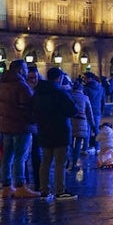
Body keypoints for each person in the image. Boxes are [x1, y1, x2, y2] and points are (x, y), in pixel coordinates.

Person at [0, 60, 38, 198]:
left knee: (7, 157)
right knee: (20, 157)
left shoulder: (2, 85)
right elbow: (30, 107)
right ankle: (20, 186)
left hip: (5, 126)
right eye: (25, 69)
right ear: (20, 70)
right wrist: (33, 121)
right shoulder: (21, 86)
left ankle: (7, 187)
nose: (26, 72)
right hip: (21, 126)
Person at [33, 67, 78, 200]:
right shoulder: (60, 93)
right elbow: (72, 110)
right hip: (60, 131)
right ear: (59, 78)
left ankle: (44, 190)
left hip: (43, 130)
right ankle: (60, 190)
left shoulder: (38, 93)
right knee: (60, 162)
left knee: (45, 161)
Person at [68, 77, 97, 174]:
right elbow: (89, 113)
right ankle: (74, 164)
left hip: (70, 122)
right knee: (77, 145)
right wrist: (93, 125)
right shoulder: (85, 98)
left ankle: (68, 161)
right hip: (82, 123)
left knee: (69, 144)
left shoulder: (69, 96)